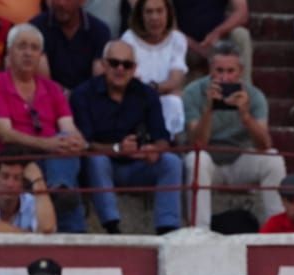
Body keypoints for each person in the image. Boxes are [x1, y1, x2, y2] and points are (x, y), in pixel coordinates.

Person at [0, 22, 87, 231]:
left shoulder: (52, 88)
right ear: (9, 52)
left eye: (34, 48)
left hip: (51, 160)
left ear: (41, 56)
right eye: (22, 47)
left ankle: (61, 193)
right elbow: (5, 135)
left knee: (66, 151)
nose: (28, 53)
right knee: (62, 162)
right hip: (13, 160)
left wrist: (76, 140)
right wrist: (49, 144)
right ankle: (62, 195)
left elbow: (69, 126)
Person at [73, 39, 183, 233]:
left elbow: (162, 137)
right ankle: (111, 226)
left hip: (138, 165)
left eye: (127, 65)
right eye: (115, 63)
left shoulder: (147, 94)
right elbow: (85, 144)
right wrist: (117, 149)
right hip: (104, 169)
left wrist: (155, 150)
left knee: (171, 161)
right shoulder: (83, 94)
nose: (120, 69)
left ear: (134, 69)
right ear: (104, 65)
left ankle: (168, 229)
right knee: (96, 160)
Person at [183, 40, 284, 228]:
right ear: (210, 69)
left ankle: (277, 229)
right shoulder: (193, 92)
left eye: (231, 71)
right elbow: (197, 143)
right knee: (195, 160)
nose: (225, 78)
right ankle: (199, 231)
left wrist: (246, 116)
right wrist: (209, 110)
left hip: (239, 160)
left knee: (273, 159)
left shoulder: (254, 96)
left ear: (241, 72)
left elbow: (264, 145)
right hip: (209, 162)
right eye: (219, 71)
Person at [123, 0, 187, 136]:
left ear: (168, 13)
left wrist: (155, 89)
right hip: (137, 100)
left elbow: (175, 80)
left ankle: (170, 146)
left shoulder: (178, 39)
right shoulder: (129, 39)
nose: (155, 17)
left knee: (174, 102)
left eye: (159, 11)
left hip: (164, 99)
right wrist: (160, 90)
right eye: (149, 12)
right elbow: (134, 84)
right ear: (141, 15)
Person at [0, 145, 59, 232]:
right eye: (5, 176)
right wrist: (30, 235)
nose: (10, 184)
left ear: (24, 182)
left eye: (17, 178)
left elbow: (47, 228)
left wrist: (38, 181)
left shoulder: (32, 202)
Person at [31, 0, 111, 92]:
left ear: (82, 1)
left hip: (86, 100)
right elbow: (43, 81)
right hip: (49, 97)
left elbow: (98, 82)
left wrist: (78, 98)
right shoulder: (36, 29)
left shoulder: (99, 31)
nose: (61, 3)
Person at [173, 0, 250, 76]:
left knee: (241, 34)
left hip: (219, 41)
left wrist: (217, 33)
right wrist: (196, 47)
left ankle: (243, 85)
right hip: (185, 45)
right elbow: (168, 22)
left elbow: (242, 12)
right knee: (172, 38)